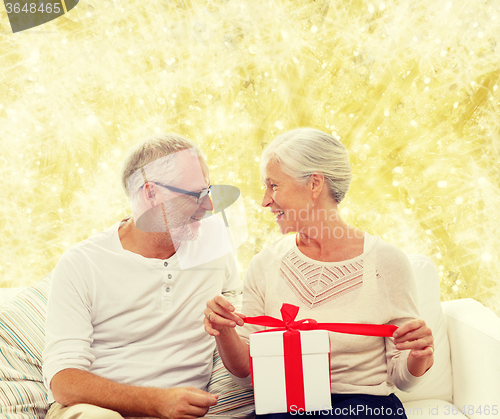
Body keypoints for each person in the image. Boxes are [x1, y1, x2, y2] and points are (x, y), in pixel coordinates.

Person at [204, 128, 434, 418]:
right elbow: (247, 374)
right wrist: (223, 330)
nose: (264, 200)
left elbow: (403, 378)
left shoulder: (387, 263)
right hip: (288, 408)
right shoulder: (265, 265)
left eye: (274, 186)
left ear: (314, 184)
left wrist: (419, 355)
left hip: (364, 409)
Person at [43, 134, 241, 419]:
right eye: (196, 194)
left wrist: (225, 327)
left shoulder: (215, 243)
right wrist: (156, 402)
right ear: (150, 193)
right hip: (96, 410)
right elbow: (63, 381)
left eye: (208, 190)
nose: (209, 205)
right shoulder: (82, 263)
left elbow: (242, 351)